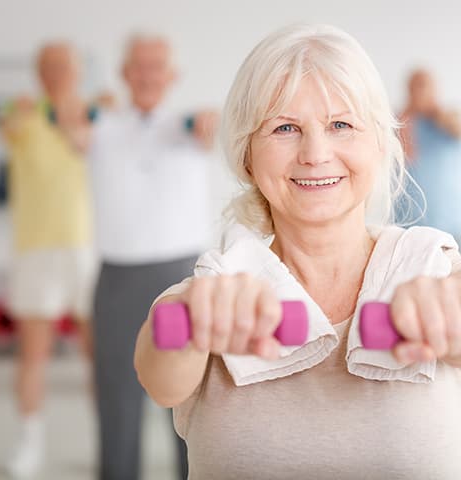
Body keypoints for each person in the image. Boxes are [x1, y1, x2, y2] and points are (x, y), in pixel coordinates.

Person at [134, 24, 461, 480]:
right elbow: (160, 378)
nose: (315, 153)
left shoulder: (436, 268)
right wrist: (189, 321)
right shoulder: (220, 283)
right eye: (285, 128)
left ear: (381, 143)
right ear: (247, 154)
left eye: (341, 125)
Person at [88, 35, 217, 480]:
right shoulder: (100, 124)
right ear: (125, 73)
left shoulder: (189, 124)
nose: (147, 75)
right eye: (138, 66)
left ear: (172, 75)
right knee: (116, 395)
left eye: (156, 65)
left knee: (184, 395)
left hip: (180, 276)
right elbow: (70, 128)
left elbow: (213, 130)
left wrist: (208, 124)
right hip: (118, 277)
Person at [0, 42, 97, 478]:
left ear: (76, 71)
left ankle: (106, 444)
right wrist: (41, 111)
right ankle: (29, 445)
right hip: (35, 250)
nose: (56, 72)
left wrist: (79, 114)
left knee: (101, 356)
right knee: (32, 355)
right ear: (38, 72)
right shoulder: (21, 115)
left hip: (86, 249)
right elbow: (9, 124)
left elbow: (86, 143)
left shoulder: (94, 114)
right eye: (49, 66)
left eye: (64, 65)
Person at [397, 69, 461, 238]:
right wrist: (407, 117)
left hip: (450, 227)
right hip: (407, 228)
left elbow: (456, 127)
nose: (420, 92)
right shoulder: (399, 122)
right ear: (408, 90)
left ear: (435, 89)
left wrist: (436, 111)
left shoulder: (447, 120)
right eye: (416, 86)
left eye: (424, 85)